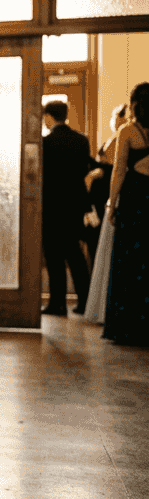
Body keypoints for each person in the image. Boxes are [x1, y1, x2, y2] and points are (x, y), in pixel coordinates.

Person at [102, 84, 149, 346]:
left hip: (134, 200)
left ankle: (126, 326)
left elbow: (118, 171)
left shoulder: (128, 131)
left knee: (128, 261)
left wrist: (112, 203)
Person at [41, 100, 95, 315]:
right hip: (74, 205)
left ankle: (58, 303)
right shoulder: (81, 141)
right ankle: (84, 302)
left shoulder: (46, 142)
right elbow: (83, 170)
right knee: (75, 254)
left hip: (52, 205)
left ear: (49, 117)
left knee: (54, 256)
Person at [83, 104, 128, 324]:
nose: (113, 119)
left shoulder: (125, 136)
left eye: (115, 115)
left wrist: (101, 172)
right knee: (95, 247)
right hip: (98, 201)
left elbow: (118, 169)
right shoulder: (115, 137)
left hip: (107, 200)